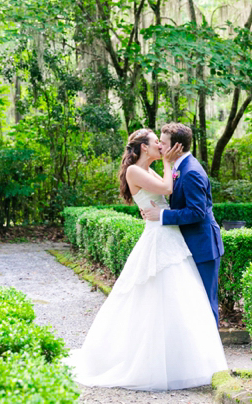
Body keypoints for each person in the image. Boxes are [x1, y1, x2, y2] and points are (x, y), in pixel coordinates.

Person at [65, 128, 227, 391]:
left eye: (163, 144)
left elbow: (173, 195)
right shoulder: (136, 171)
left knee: (189, 300)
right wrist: (166, 164)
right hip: (160, 238)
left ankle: (201, 360)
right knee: (156, 299)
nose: (161, 147)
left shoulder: (175, 169)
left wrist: (165, 168)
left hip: (174, 237)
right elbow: (167, 188)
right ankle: (161, 361)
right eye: (157, 143)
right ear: (143, 147)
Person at [142, 123, 225, 326]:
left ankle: (212, 356)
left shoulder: (191, 172)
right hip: (188, 246)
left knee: (205, 303)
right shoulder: (179, 167)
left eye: (163, 143)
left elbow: (197, 212)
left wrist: (162, 215)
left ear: (176, 147)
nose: (160, 146)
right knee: (192, 304)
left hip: (203, 247)